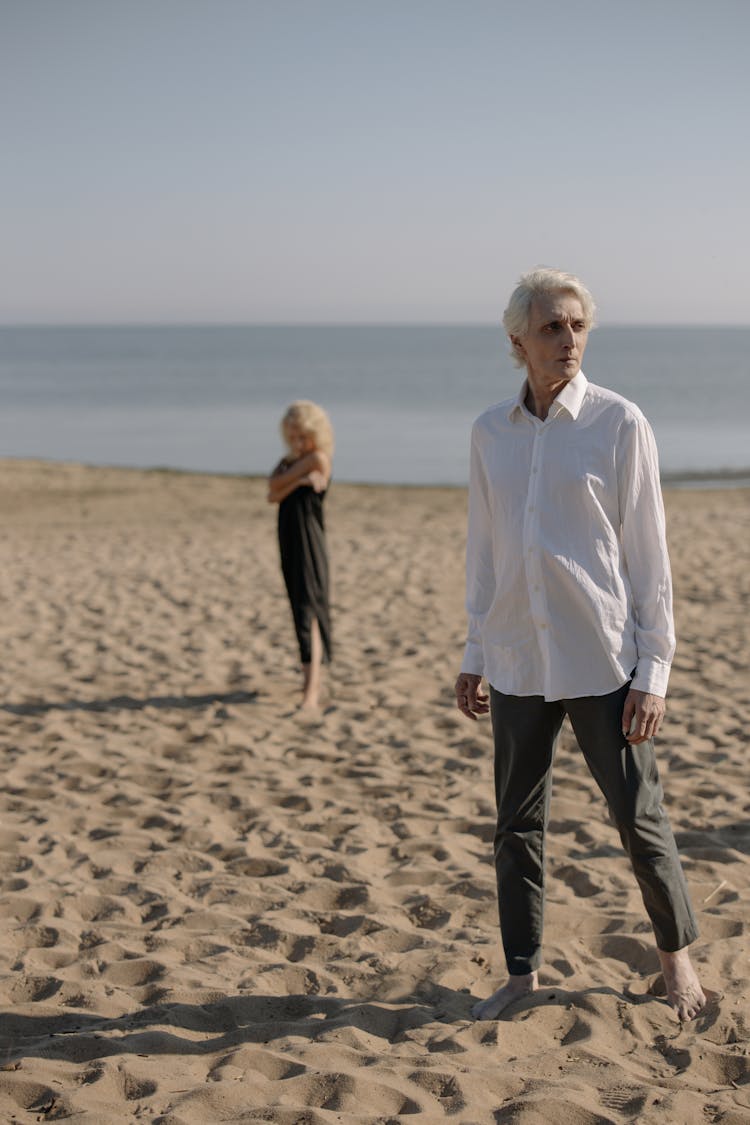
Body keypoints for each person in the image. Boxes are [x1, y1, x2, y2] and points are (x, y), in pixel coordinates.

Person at [455, 267, 706, 1023]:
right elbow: (485, 552)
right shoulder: (488, 433)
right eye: (551, 327)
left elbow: (648, 556)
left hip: (604, 659)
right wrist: (474, 651)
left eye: (577, 325)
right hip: (517, 658)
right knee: (515, 825)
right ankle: (522, 975)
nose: (568, 340)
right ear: (517, 341)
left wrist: (653, 669)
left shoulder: (620, 423)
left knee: (639, 816)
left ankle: (678, 966)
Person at [268, 400, 333, 710]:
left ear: (315, 433)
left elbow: (280, 486)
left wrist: (291, 479)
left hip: (309, 541)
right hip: (289, 538)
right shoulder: (290, 461)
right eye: (292, 436)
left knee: (310, 610)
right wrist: (296, 479)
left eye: (302, 436)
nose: (297, 442)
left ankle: (312, 689)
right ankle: (308, 681)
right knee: (298, 609)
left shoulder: (317, 457)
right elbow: (272, 492)